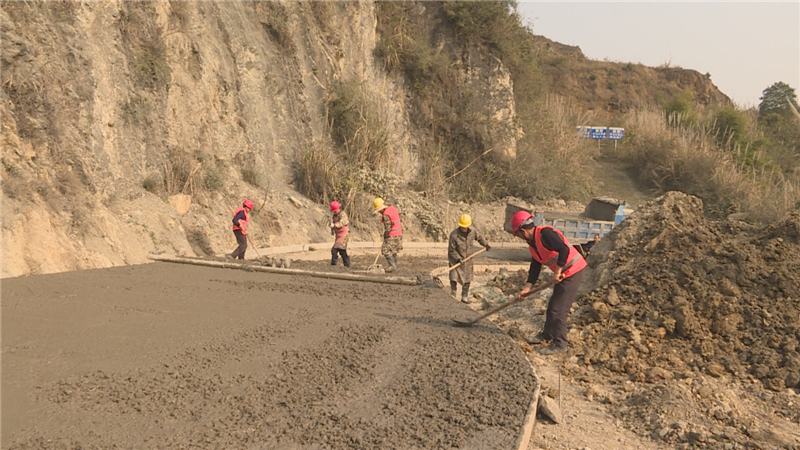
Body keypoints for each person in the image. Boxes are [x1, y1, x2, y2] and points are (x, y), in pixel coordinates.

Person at [510, 210, 587, 355]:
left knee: (559, 310)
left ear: (523, 231)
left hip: (573, 271)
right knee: (552, 306)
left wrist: (557, 272)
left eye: (518, 234)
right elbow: (535, 266)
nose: (519, 237)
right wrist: (527, 287)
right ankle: (547, 335)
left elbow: (563, 249)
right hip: (564, 273)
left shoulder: (545, 234)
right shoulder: (533, 244)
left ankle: (560, 344)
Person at [448, 214, 491, 303]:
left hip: (468, 260)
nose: (464, 229)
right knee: (454, 277)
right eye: (462, 227)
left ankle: (464, 297)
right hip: (456, 261)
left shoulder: (473, 231)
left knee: (467, 278)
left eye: (466, 227)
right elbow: (451, 250)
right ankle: (453, 294)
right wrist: (458, 258)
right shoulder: (454, 235)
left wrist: (485, 244)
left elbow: (479, 238)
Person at [373, 197, 402, 273]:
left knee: (385, 250)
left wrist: (386, 235)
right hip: (399, 233)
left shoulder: (385, 215)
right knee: (393, 250)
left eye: (379, 211)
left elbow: (388, 227)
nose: (379, 213)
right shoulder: (392, 208)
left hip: (392, 234)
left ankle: (392, 266)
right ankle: (394, 265)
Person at [329, 200, 350, 268]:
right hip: (338, 234)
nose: (334, 212)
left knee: (341, 250)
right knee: (335, 250)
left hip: (344, 234)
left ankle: (346, 265)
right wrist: (333, 230)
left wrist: (335, 225)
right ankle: (334, 264)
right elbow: (334, 224)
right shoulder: (334, 215)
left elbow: (342, 223)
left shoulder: (343, 215)